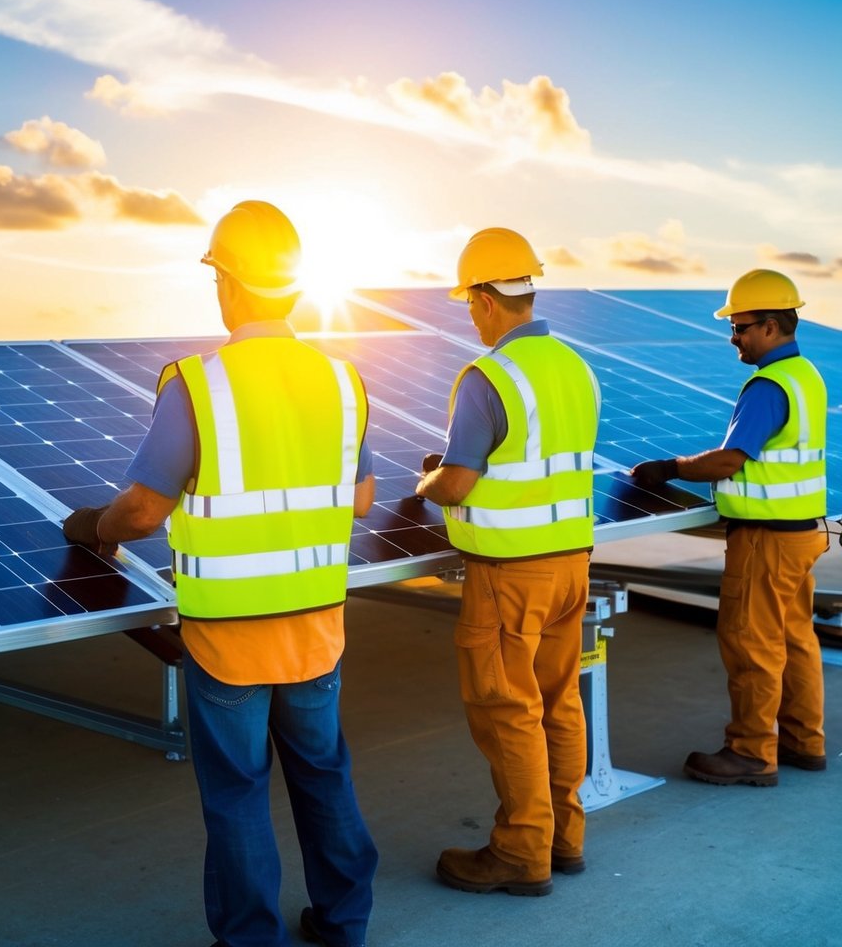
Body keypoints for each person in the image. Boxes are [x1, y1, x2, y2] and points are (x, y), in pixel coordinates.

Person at [63, 201, 378, 947]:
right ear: (296, 286)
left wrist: (96, 529)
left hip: (230, 636)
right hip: (316, 628)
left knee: (238, 792)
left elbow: (141, 510)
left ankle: (249, 938)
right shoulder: (343, 381)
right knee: (324, 776)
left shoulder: (198, 384)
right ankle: (344, 924)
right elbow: (360, 498)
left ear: (227, 284)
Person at [415, 228, 600, 897]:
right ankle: (563, 838)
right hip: (571, 566)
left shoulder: (488, 376)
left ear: (487, 300)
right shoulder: (574, 367)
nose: (471, 314)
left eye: (470, 301)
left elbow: (459, 483)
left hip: (510, 578)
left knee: (507, 710)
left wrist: (426, 485)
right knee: (558, 704)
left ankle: (522, 853)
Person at [631, 269, 829, 787]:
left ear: (769, 327)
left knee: (752, 643)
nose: (733, 339)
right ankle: (804, 741)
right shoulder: (806, 375)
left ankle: (750, 753)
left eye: (739, 328)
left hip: (765, 540)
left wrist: (671, 468)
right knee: (795, 640)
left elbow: (730, 461)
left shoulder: (766, 386)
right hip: (802, 534)